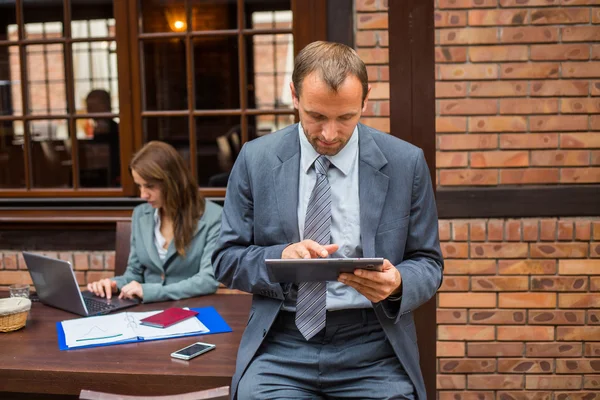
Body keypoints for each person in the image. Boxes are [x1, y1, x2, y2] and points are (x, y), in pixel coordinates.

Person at [212, 41, 444, 399]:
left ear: (366, 100)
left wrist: (398, 282)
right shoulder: (255, 159)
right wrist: (280, 259)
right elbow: (226, 258)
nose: (330, 134)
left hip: (374, 347)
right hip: (281, 343)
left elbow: (428, 263)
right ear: (294, 95)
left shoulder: (406, 163)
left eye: (346, 117)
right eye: (316, 116)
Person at [88, 141, 221, 303]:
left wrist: (152, 291)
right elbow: (134, 273)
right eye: (139, 186)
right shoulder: (140, 214)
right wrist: (113, 284)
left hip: (193, 310)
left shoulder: (213, 217)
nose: (143, 195)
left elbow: (208, 281)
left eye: (149, 186)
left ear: (172, 182)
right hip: (144, 313)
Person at [81, 89, 121, 187]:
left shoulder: (111, 128)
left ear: (106, 106)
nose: (89, 110)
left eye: (93, 106)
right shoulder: (98, 128)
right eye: (88, 106)